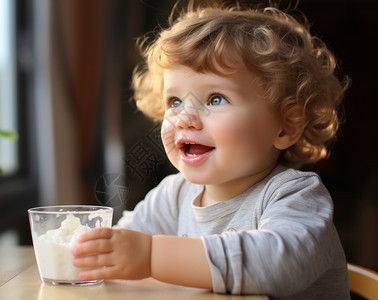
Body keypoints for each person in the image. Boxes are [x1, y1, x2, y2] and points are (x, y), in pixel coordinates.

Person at [72, 1, 351, 298]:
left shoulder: (295, 195)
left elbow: (279, 265)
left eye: (216, 99)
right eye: (175, 102)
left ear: (285, 127)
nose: (185, 118)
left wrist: (152, 256)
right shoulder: (174, 194)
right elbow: (123, 245)